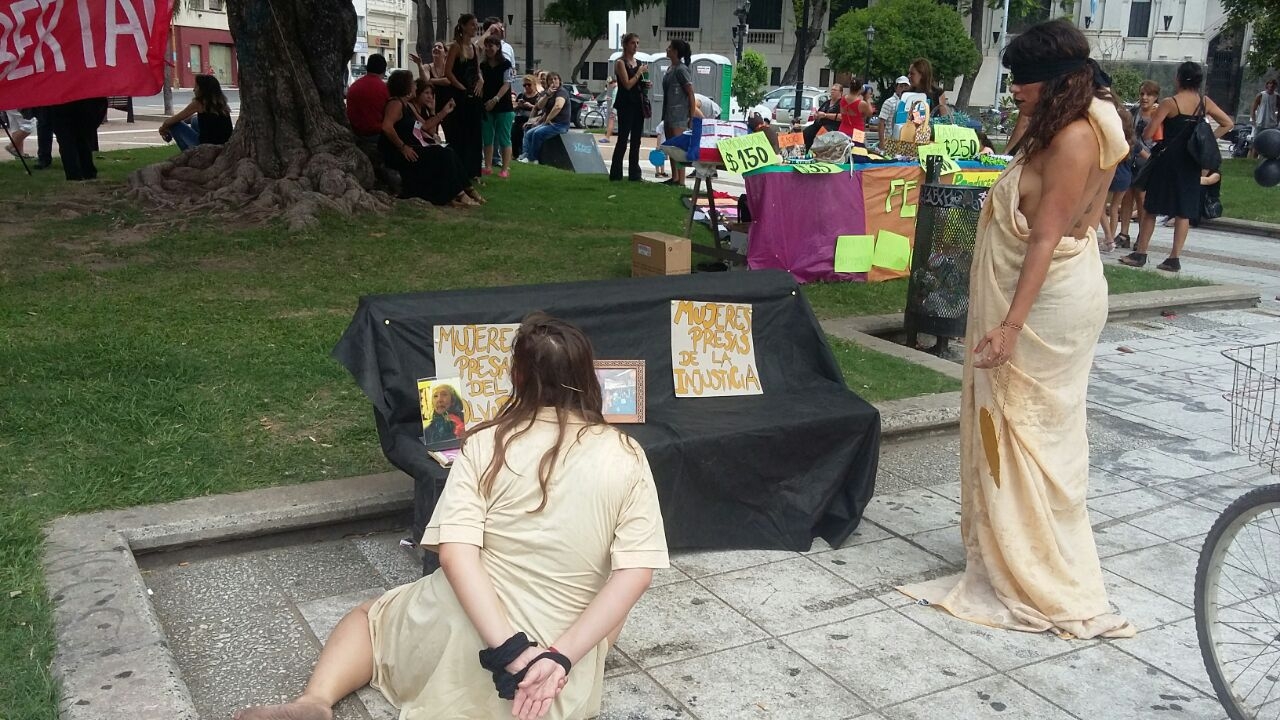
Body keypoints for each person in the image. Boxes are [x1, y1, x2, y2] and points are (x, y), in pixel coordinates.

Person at [233, 313, 669, 720]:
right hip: (554, 677)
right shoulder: (627, 455)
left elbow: (457, 555)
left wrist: (512, 652)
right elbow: (636, 574)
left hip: (468, 640)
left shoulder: (487, 444)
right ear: (588, 376)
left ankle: (313, 701)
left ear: (517, 377)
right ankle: (573, 658)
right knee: (614, 599)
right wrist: (557, 658)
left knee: (370, 618)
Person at [898, 19, 1136, 641]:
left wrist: (1009, 326)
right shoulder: (1069, 122)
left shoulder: (1078, 138)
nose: (1014, 91)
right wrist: (1033, 114)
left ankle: (1040, 567)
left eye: (1022, 81)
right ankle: (1009, 544)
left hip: (1046, 304)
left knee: (1032, 432)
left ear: (1054, 80)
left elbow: (1047, 237)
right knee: (1012, 427)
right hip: (1046, 291)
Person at [1120, 61, 1233, 272]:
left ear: (1178, 78)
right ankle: (1174, 258)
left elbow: (1148, 134)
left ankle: (1140, 253)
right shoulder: (1204, 102)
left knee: (1151, 207)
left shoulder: (1169, 103)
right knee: (1184, 211)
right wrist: (1206, 139)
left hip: (1167, 159)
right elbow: (1228, 123)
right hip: (1191, 160)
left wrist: (1157, 119)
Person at [380, 71, 483, 207]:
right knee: (444, 154)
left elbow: (425, 126)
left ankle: (467, 189)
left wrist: (443, 111)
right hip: (399, 152)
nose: (415, 86)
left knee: (448, 150)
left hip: (411, 148)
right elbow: (387, 127)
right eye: (412, 84)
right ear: (405, 86)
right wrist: (402, 147)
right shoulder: (396, 103)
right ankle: (460, 194)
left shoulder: (405, 105)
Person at [1114, 80, 1160, 249]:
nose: (1145, 98)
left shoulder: (1159, 115)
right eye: (1142, 94)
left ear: (1156, 97)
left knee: (1142, 198)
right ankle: (1124, 233)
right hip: (1130, 159)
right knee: (1127, 196)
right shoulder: (1134, 112)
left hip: (1147, 160)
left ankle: (1142, 235)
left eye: (1149, 95)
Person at [442, 14, 485, 180]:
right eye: (472, 25)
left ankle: (474, 172)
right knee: (461, 134)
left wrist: (480, 80)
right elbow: (448, 71)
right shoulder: (456, 47)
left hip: (474, 95)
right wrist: (460, 87)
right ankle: (460, 170)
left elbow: (477, 70)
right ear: (464, 26)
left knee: (475, 133)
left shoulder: (474, 47)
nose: (475, 27)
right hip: (460, 96)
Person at [158, 74, 234, 151]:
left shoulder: (199, 103)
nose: (194, 90)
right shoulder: (221, 104)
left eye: (196, 87)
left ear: (203, 90)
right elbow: (189, 118)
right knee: (194, 120)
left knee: (175, 125)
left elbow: (172, 120)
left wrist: (163, 129)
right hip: (224, 146)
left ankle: (187, 153)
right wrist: (179, 123)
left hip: (206, 148)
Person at [661, 39, 700, 186]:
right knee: (671, 147)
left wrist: (691, 116)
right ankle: (675, 177)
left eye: (670, 47)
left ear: (676, 51)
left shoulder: (681, 70)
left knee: (678, 148)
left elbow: (690, 93)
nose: (667, 49)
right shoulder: (670, 68)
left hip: (679, 115)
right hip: (668, 114)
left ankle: (681, 180)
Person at [609, 33, 648, 182]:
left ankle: (634, 174)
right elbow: (627, 84)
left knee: (636, 140)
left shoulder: (639, 62)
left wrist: (645, 83)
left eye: (637, 43)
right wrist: (638, 73)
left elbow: (639, 83)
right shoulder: (621, 63)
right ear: (626, 45)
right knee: (623, 139)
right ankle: (616, 173)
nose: (635, 46)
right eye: (633, 43)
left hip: (638, 103)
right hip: (626, 104)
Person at [479, 35, 515, 178]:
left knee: (504, 137)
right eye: (486, 46)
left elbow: (507, 84)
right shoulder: (483, 65)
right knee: (487, 137)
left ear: (498, 47)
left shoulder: (506, 64)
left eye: (491, 46)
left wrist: (495, 99)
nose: (488, 49)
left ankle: (504, 169)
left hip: (504, 106)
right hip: (486, 105)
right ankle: (488, 166)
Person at [49, 97, 108, 181]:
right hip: (83, 105)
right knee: (83, 140)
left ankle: (74, 174)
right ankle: (87, 172)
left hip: (62, 106)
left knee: (67, 143)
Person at [519, 72, 572, 164]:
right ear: (548, 82)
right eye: (550, 79)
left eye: (555, 79)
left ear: (559, 81)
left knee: (537, 133)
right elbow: (539, 106)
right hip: (548, 123)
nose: (553, 81)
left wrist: (547, 119)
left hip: (560, 125)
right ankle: (526, 155)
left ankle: (533, 159)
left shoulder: (561, 92)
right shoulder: (547, 92)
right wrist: (547, 95)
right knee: (529, 132)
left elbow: (558, 106)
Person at [347, 54, 389, 139]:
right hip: (377, 134)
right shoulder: (384, 88)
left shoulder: (354, 86)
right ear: (384, 71)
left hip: (355, 133)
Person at [804, 84, 843, 151]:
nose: (832, 91)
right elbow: (818, 112)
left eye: (835, 90)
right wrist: (816, 115)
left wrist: (825, 115)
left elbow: (841, 117)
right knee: (807, 132)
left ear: (840, 92)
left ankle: (816, 152)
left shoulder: (841, 103)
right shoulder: (826, 103)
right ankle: (807, 151)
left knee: (819, 136)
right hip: (818, 124)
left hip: (831, 127)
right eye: (832, 90)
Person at [513, 74, 543, 159]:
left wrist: (530, 106)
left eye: (529, 85)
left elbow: (540, 110)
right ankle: (515, 154)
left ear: (534, 84)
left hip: (531, 119)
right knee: (514, 133)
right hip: (519, 118)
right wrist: (518, 105)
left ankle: (524, 154)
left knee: (525, 132)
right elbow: (513, 107)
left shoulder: (538, 96)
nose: (526, 87)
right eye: (524, 85)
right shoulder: (521, 95)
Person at [1250, 78, 1278, 158]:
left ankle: (1265, 159)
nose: (1271, 86)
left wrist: (1277, 121)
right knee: (1257, 142)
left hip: (1271, 124)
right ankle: (1253, 159)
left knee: (1269, 143)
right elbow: (1253, 109)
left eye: (1273, 84)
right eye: (1270, 83)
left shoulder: (1277, 97)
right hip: (1260, 122)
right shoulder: (1261, 95)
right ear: (1267, 85)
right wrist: (1253, 121)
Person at [877, 76, 910, 142]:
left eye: (906, 87)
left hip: (904, 140)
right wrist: (882, 142)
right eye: (901, 86)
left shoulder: (909, 102)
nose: (903, 89)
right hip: (890, 140)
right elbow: (881, 123)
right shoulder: (889, 102)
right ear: (896, 87)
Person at [599, 77, 617, 144]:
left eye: (610, 84)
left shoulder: (616, 89)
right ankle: (628, 137)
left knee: (611, 122)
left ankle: (607, 138)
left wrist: (613, 107)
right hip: (617, 108)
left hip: (615, 108)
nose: (609, 86)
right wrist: (611, 98)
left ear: (613, 82)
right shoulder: (616, 88)